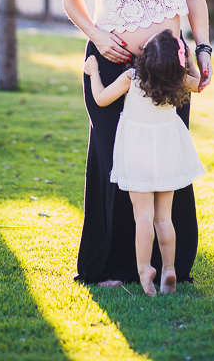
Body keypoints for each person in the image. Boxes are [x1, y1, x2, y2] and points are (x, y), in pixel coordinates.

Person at [39, 0, 213, 286]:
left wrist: (203, 50)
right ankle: (109, 268)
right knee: (112, 161)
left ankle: (171, 266)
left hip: (167, 69)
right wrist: (97, 36)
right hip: (113, 64)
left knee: (165, 158)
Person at [84, 30, 205, 296]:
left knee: (143, 217)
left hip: (137, 154)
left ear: (145, 56)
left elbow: (102, 98)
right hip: (168, 153)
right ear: (177, 63)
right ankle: (169, 268)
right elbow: (200, 84)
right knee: (164, 218)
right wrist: (191, 62)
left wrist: (94, 72)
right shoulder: (178, 80)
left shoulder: (132, 77)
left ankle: (144, 269)